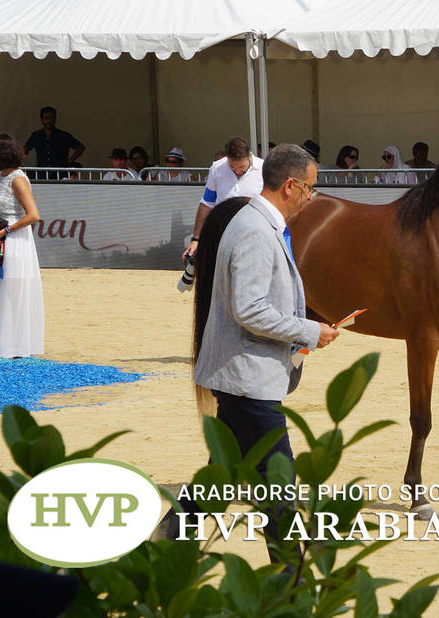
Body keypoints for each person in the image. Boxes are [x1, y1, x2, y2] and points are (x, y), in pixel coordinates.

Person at [159, 144, 339, 565]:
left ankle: (166, 541)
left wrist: (297, 337)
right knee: (280, 483)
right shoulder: (257, 230)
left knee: (220, 477)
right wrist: (308, 331)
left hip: (243, 373)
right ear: (291, 186)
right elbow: (251, 309)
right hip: (248, 379)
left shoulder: (255, 222)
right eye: (310, 189)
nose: (311, 197)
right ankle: (289, 574)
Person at [0, 134, 45, 358]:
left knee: (12, 291)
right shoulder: (0, 177)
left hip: (14, 241)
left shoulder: (18, 179)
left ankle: (15, 346)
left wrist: (8, 230)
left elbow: (33, 215)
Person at [182, 137, 264, 262]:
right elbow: (207, 203)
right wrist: (196, 239)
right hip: (223, 234)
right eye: (232, 167)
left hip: (254, 235)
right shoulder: (217, 167)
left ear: (250, 157)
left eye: (241, 167)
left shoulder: (264, 170)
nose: (237, 171)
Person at [23, 106, 85, 180]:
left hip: (60, 175)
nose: (49, 121)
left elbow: (81, 147)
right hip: (42, 175)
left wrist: (71, 160)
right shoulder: (36, 135)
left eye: (51, 118)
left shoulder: (63, 135)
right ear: (42, 120)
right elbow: (25, 149)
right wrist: (20, 160)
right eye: (46, 118)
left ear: (55, 119)